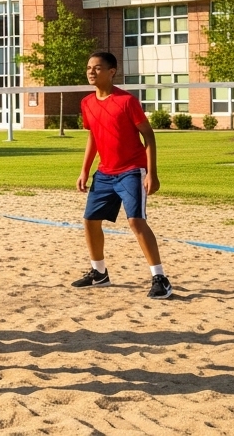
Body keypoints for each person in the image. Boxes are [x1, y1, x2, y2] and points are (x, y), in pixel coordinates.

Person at [71, 51, 173, 299]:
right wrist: (85, 169)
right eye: (88, 67)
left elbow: (148, 135)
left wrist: (152, 173)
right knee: (90, 220)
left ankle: (160, 278)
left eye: (97, 68)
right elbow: (93, 135)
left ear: (112, 71)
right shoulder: (87, 103)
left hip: (131, 170)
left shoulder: (127, 101)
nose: (91, 72)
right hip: (104, 172)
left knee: (135, 221)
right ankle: (99, 273)